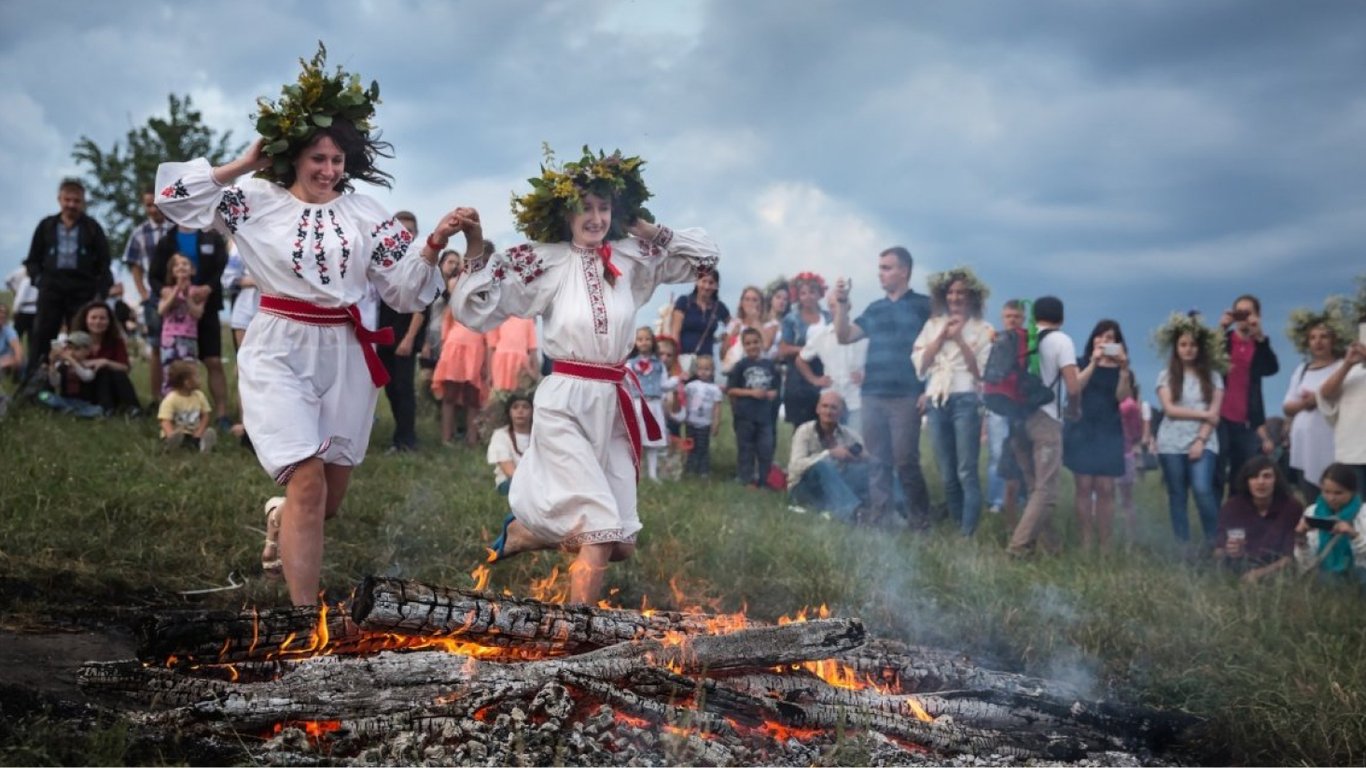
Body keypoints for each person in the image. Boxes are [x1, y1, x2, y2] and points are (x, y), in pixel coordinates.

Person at [154, 46, 451, 606]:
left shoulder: (364, 211)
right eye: (318, 158)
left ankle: (280, 519)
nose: (329, 170)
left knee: (324, 501)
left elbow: (406, 287)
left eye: (338, 160)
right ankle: (303, 620)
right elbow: (172, 199)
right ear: (292, 157)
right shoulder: (253, 201)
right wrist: (242, 163)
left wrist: (433, 244)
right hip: (278, 345)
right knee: (308, 481)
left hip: (344, 353)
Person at [451, 145, 720, 605]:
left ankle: (526, 532)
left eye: (604, 207)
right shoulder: (548, 260)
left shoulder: (632, 256)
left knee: (621, 545)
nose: (595, 217)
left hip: (614, 402)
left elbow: (706, 259)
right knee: (598, 530)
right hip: (565, 402)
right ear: (567, 214)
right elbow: (474, 306)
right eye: (585, 208)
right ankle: (578, 638)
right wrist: (475, 246)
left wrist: (640, 223)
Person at [833, 248, 932, 529]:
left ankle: (920, 519)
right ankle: (880, 517)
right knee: (877, 460)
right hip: (873, 393)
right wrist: (842, 303)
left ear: (905, 271)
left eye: (887, 268)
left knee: (905, 459)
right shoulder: (875, 308)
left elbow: (939, 348)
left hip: (907, 394)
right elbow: (844, 336)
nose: (881, 273)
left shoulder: (924, 306)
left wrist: (929, 388)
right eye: (880, 268)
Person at [914, 267, 993, 536]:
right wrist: (941, 337)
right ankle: (958, 525)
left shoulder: (983, 329)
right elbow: (921, 366)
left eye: (961, 292)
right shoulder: (933, 325)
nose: (955, 297)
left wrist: (959, 339)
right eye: (951, 292)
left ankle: (967, 534)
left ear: (971, 297)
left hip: (966, 398)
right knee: (947, 472)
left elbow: (980, 371)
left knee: (966, 471)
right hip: (937, 397)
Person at [1005, 296, 1082, 555]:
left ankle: (1050, 546)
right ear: (1061, 318)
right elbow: (1072, 386)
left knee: (1033, 487)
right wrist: (1073, 409)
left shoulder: (1023, 339)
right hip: (1045, 420)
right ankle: (1018, 547)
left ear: (1034, 316)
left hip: (1017, 419)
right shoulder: (1062, 340)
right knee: (1045, 490)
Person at [24, 177, 113, 372]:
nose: (71, 205)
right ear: (60, 199)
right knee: (42, 335)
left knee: (79, 338)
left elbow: (105, 263)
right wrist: (39, 280)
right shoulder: (47, 226)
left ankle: (77, 384)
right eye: (67, 200)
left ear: (83, 202)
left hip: (81, 289)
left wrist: (100, 293)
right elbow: (32, 259)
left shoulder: (92, 228)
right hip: (51, 288)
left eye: (76, 201)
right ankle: (35, 381)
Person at [1154, 313, 1226, 546]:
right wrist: (1204, 413)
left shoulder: (1214, 377)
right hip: (1171, 442)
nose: (1188, 349)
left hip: (1202, 441)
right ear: (1176, 348)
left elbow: (1214, 415)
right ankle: (1182, 546)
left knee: (1203, 489)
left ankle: (1215, 543)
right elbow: (1170, 410)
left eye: (1193, 345)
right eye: (1183, 344)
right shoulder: (1166, 376)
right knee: (1177, 495)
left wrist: (1200, 440)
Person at [150, 223, 231, 424]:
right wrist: (163, 291)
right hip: (174, 315)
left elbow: (222, 265)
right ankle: (170, 411)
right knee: (174, 366)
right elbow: (153, 275)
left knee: (213, 360)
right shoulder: (167, 239)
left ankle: (221, 413)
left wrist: (209, 288)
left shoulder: (211, 235)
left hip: (207, 305)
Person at [1062, 320, 1133, 549]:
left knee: (1106, 488)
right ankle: (1085, 539)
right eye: (1099, 336)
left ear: (1118, 343)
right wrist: (1094, 362)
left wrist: (1123, 369)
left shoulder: (1124, 369)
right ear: (1092, 339)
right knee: (1083, 486)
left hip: (1109, 429)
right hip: (1082, 428)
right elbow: (1076, 387)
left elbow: (1122, 398)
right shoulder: (1081, 362)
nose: (1103, 342)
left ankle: (1106, 542)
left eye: (1110, 338)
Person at [374, 210, 428, 453]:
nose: (404, 235)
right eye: (399, 231)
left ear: (416, 234)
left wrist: (409, 339)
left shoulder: (418, 263)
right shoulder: (383, 264)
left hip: (404, 337)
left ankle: (407, 441)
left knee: (404, 389)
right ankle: (399, 435)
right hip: (382, 334)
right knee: (390, 389)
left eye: (409, 231)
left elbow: (421, 305)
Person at [1282, 305, 1350, 501]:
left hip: (1331, 441)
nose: (1318, 342)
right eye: (1313, 338)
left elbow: (1333, 394)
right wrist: (1307, 403)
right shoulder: (1302, 370)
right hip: (1305, 445)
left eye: (1323, 337)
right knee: (1311, 499)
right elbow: (1288, 406)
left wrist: (1316, 398)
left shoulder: (1341, 366)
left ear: (1333, 340)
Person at [1216, 295, 1280, 499]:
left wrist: (1260, 337)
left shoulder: (1258, 346)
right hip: (1220, 417)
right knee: (1216, 474)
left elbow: (1271, 368)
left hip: (1246, 421)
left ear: (1257, 316)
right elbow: (1205, 360)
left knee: (1242, 476)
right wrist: (1221, 329)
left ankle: (1239, 522)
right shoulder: (1225, 341)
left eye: (1248, 312)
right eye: (1239, 313)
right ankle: (1217, 525)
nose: (1244, 317)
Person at [1213, 455, 1300, 583]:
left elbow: (1291, 555)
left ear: (1276, 480)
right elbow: (1217, 551)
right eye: (1254, 477)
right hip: (1240, 563)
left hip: (1278, 567)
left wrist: (1260, 574)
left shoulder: (1291, 507)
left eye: (1267, 476)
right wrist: (1227, 549)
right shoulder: (1233, 507)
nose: (1260, 482)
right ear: (1246, 481)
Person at [788, 390, 870, 522]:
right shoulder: (805, 431)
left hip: (834, 486)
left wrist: (859, 457)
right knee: (822, 467)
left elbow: (868, 456)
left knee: (867, 470)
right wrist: (830, 454)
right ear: (817, 409)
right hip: (804, 488)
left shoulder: (848, 434)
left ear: (841, 412)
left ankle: (902, 507)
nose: (828, 411)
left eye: (834, 407)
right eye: (825, 406)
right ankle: (853, 513)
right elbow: (795, 467)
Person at [122, 190, 173, 396]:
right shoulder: (139, 233)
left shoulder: (176, 228)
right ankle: (156, 398)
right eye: (148, 205)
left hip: (175, 296)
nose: (153, 209)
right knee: (156, 348)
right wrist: (143, 294)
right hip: (152, 298)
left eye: (156, 204)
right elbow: (135, 266)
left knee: (178, 348)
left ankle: (178, 396)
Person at [799, 290, 868, 428]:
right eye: (831, 305)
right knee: (831, 442)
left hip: (856, 398)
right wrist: (815, 379)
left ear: (848, 305)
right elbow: (801, 359)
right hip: (830, 398)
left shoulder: (863, 333)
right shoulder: (821, 335)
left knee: (856, 442)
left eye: (839, 303)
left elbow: (878, 360)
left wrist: (868, 376)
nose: (835, 309)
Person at [433, 287, 491, 447]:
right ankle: (446, 438)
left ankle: (472, 439)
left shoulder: (486, 310)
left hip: (475, 351)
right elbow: (446, 328)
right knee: (450, 395)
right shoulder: (454, 306)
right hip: (454, 349)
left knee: (473, 397)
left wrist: (486, 363)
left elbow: (488, 338)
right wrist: (445, 350)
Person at [986, 300, 1026, 516]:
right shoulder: (996, 339)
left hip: (1021, 405)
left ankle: (1019, 498)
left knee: (1021, 453)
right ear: (1003, 317)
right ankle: (996, 500)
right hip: (999, 404)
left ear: (1023, 318)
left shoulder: (1029, 340)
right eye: (1008, 316)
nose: (1012, 320)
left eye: (1017, 316)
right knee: (997, 453)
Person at [727, 327, 780, 489]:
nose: (752, 346)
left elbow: (776, 389)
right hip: (745, 415)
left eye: (755, 342)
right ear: (743, 346)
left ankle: (765, 479)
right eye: (748, 343)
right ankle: (746, 479)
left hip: (765, 416)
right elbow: (731, 389)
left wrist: (772, 393)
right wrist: (751, 393)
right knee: (746, 448)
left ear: (762, 343)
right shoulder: (740, 366)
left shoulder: (769, 365)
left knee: (766, 448)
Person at [1293, 463, 1364, 584]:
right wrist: (1301, 540)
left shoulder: (1363, 514)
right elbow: (1306, 565)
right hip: (1324, 573)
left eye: (1338, 493)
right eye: (1326, 492)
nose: (1331, 498)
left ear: (1352, 492)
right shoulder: (1313, 512)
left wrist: (1354, 535)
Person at [70, 300, 140, 414]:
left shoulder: (116, 342)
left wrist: (105, 361)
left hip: (109, 386)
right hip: (83, 387)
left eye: (102, 318)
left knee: (111, 371)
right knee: (102, 371)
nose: (98, 322)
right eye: (93, 318)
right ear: (85, 319)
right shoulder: (74, 340)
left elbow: (125, 368)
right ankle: (107, 408)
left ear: (109, 321)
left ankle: (132, 408)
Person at [782, 272, 833, 428]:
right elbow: (784, 349)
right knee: (802, 427)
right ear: (798, 296)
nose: (808, 296)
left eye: (812, 292)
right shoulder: (791, 318)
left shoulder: (829, 317)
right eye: (803, 293)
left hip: (825, 374)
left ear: (820, 294)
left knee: (827, 423)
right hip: (799, 379)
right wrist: (808, 349)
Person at [1318, 338, 1366, 491]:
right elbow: (1325, 394)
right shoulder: (1349, 368)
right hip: (1352, 454)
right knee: (1354, 511)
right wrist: (1347, 364)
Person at [157, 253, 208, 391]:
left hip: (188, 338)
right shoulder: (166, 291)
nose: (181, 266)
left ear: (192, 269)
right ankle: (169, 406)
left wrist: (187, 296)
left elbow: (197, 313)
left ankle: (190, 406)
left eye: (185, 263)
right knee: (169, 372)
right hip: (169, 338)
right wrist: (177, 290)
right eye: (177, 264)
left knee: (190, 372)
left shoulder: (198, 292)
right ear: (172, 271)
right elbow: (162, 310)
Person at [626, 327, 668, 481]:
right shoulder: (630, 364)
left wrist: (677, 381)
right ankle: (633, 472)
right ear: (634, 343)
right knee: (635, 438)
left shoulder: (659, 364)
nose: (644, 342)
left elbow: (664, 384)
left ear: (653, 342)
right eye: (640, 339)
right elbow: (626, 384)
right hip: (637, 404)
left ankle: (652, 474)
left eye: (647, 339)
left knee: (653, 439)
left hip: (654, 405)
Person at [1116, 372, 1154, 541]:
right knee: (1126, 500)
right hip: (1128, 453)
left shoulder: (1128, 405)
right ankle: (1130, 537)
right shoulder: (1137, 405)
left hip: (1121, 453)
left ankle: (1125, 536)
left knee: (1119, 499)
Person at [671, 269, 729, 372]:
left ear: (716, 286)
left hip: (706, 363)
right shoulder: (684, 302)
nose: (706, 286)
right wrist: (674, 359)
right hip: (683, 359)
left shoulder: (718, 307)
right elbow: (675, 333)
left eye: (711, 283)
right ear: (696, 282)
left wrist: (722, 338)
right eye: (704, 281)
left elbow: (733, 325)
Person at [36, 331, 104, 418]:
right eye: (69, 348)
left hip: (83, 401)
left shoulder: (89, 365)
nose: (72, 352)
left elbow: (87, 377)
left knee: (98, 409)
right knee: (43, 395)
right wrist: (52, 364)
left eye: (77, 349)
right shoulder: (62, 366)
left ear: (87, 351)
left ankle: (71, 410)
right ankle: (68, 409)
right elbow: (55, 383)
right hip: (65, 399)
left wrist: (71, 360)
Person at [159, 359, 217, 453]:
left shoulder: (199, 396)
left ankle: (203, 446)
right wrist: (170, 435)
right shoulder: (171, 399)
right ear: (187, 382)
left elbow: (205, 415)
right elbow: (165, 421)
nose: (200, 379)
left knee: (195, 441)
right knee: (179, 440)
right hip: (177, 433)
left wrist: (199, 432)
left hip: (193, 433)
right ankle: (172, 444)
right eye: (197, 376)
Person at [682, 354, 725, 478]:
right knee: (690, 446)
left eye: (707, 369)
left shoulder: (715, 389)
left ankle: (703, 470)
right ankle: (690, 468)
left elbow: (717, 408)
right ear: (696, 370)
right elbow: (684, 401)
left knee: (703, 447)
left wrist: (716, 423)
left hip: (705, 423)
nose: (703, 372)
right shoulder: (690, 386)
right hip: (690, 422)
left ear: (712, 371)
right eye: (700, 369)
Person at [487, 392, 534, 495]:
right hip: (510, 482)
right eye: (515, 407)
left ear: (532, 412)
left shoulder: (539, 436)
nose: (520, 411)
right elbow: (509, 471)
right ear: (509, 412)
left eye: (525, 407)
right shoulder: (500, 435)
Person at [720, 285, 766, 375]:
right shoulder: (735, 323)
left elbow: (766, 346)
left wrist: (755, 320)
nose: (750, 303)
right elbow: (722, 354)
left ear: (760, 304)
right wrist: (732, 336)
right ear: (741, 302)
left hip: (758, 371)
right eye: (747, 299)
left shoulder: (766, 324)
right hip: (736, 371)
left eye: (754, 300)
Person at [487, 316, 539, 394]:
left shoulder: (527, 317)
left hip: (521, 363)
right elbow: (491, 347)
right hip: (501, 362)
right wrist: (489, 373)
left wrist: (535, 373)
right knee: (499, 394)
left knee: (518, 393)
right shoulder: (498, 315)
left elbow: (533, 349)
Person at [0, 303, 23, 380]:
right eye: (0, 312)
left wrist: (13, 360)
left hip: (3, 363)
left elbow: (18, 353)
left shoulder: (9, 331)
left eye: (5, 313)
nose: (2, 315)